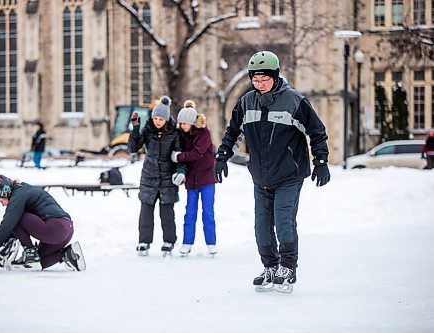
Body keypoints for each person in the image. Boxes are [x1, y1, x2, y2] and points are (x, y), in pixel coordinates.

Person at [214, 51, 330, 293]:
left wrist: (321, 161)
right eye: (255, 80)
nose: (259, 84)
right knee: (261, 225)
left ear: (275, 76)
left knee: (283, 221)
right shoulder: (247, 101)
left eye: (263, 80)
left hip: (289, 174)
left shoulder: (295, 101)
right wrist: (222, 156)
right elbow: (233, 131)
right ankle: (270, 266)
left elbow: (316, 131)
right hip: (260, 176)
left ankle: (288, 268)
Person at [0, 174, 86, 271]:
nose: (3, 204)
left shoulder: (18, 195)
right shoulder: (23, 190)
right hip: (66, 229)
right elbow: (16, 229)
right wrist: (5, 242)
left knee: (15, 218)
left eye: (1, 200)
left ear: (5, 191)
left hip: (56, 228)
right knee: (38, 262)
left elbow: (9, 223)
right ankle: (67, 254)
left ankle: (30, 252)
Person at [128, 96, 186, 256]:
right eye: (155, 118)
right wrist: (135, 129)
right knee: (146, 212)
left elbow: (179, 155)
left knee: (167, 213)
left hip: (168, 178)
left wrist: (181, 171)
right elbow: (133, 148)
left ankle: (169, 241)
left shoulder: (174, 134)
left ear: (166, 119)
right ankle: (144, 242)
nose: (158, 121)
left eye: (161, 118)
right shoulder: (147, 130)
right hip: (149, 177)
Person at [172, 100, 217, 256]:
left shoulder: (204, 134)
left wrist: (178, 156)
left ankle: (211, 243)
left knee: (208, 212)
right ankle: (187, 243)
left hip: (206, 178)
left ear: (192, 122)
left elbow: (197, 154)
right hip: (191, 179)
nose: (182, 126)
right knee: (190, 212)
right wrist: (181, 170)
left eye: (185, 123)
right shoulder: (181, 135)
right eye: (181, 123)